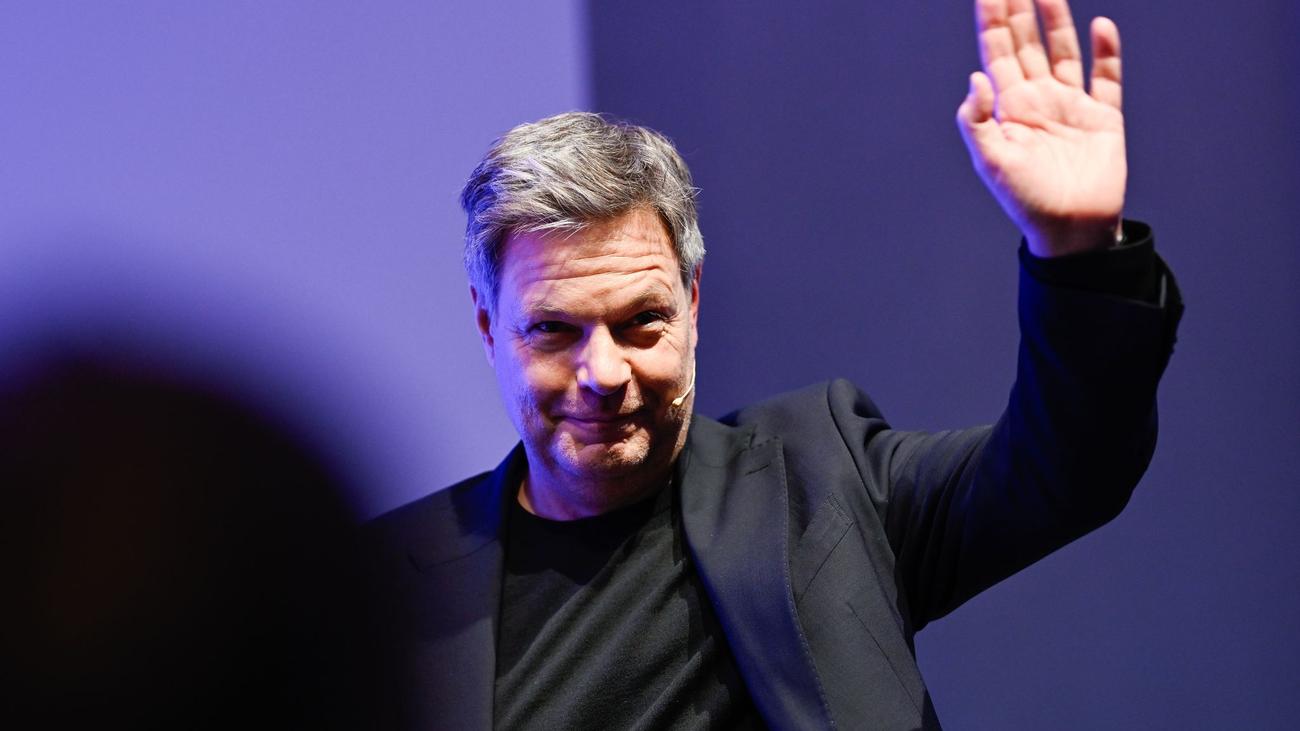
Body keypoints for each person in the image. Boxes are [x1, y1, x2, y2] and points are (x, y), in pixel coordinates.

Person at [368, 0, 1183, 728]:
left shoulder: (824, 482)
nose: (605, 372)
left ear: (693, 303)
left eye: (641, 321)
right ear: (489, 326)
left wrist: (1077, 250)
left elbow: (1067, 469)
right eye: (553, 330)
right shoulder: (380, 582)